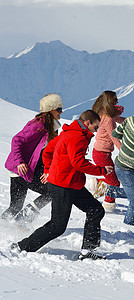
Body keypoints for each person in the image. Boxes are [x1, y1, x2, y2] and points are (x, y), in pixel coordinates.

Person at [12, 110, 113, 260]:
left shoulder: (68, 133)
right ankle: (22, 246)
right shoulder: (77, 136)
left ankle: (87, 251)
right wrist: (101, 170)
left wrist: (47, 170)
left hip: (73, 183)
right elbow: (78, 163)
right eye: (95, 127)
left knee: (96, 210)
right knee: (57, 226)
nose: (96, 130)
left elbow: (47, 151)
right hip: (62, 186)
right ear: (87, 123)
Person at [1, 93, 63, 225]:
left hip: (31, 168)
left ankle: (10, 224)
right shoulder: (38, 124)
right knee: (52, 191)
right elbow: (16, 140)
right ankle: (21, 221)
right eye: (58, 109)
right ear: (50, 109)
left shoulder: (52, 126)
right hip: (21, 169)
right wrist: (19, 162)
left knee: (15, 206)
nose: (61, 112)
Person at [91, 90, 125, 213]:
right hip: (101, 154)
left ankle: (97, 187)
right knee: (114, 182)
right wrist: (123, 152)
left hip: (101, 153)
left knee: (113, 180)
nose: (117, 102)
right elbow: (114, 137)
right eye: (114, 100)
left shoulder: (104, 114)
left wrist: (132, 122)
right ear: (108, 102)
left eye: (117, 100)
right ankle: (108, 205)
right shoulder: (108, 119)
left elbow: (119, 119)